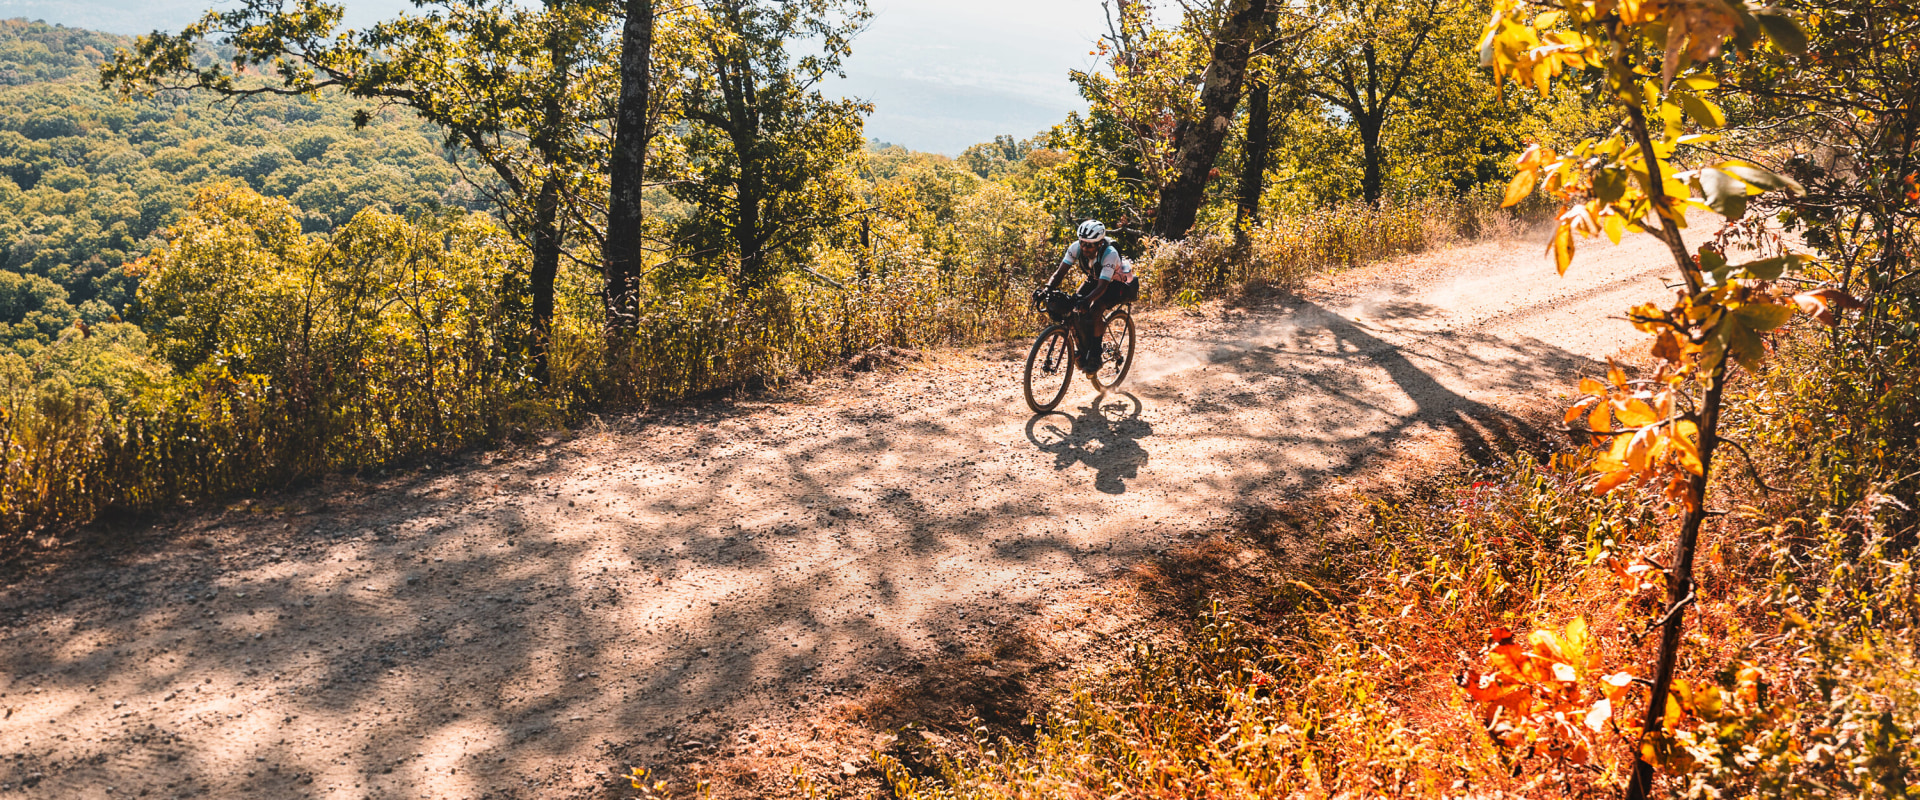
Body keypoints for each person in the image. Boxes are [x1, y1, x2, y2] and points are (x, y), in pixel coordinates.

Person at [1043, 219, 1138, 374]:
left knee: (1096, 309)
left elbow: (1102, 287)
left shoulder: (1110, 254)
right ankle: (1083, 347)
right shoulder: (1076, 248)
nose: (1084, 247)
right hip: (1095, 278)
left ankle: (1095, 353)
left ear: (1099, 244)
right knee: (1074, 305)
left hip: (1116, 284)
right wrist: (1047, 289)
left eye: (1089, 245)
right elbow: (1059, 273)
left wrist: (1087, 301)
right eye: (1082, 243)